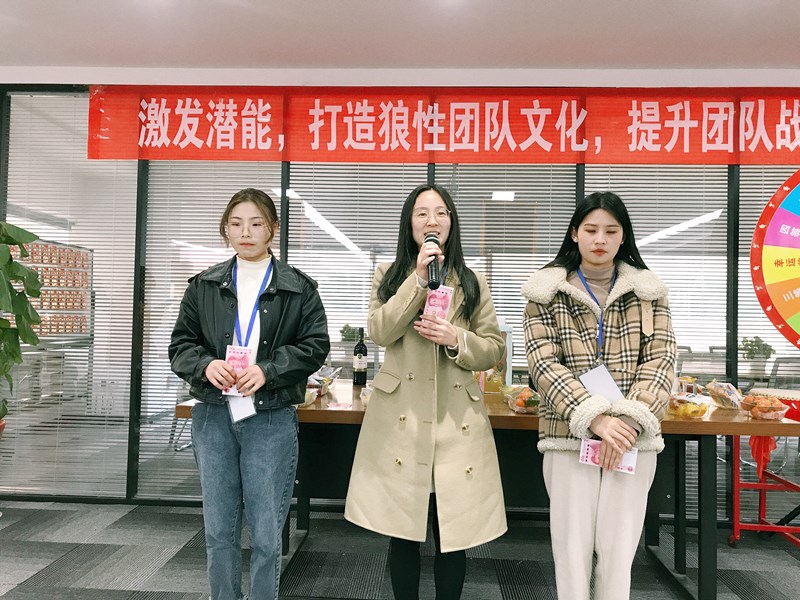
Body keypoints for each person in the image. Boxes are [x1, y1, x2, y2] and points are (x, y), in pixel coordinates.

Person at [345, 184, 507, 600]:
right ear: (410, 223)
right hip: (402, 420)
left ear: (451, 223)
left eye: (441, 213)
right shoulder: (389, 275)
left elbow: (493, 348)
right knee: (403, 532)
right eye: (422, 213)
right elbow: (379, 331)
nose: (431, 220)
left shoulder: (472, 281)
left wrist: (456, 338)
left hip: (456, 421)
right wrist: (417, 280)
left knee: (453, 533)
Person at [169, 188, 329, 600]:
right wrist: (206, 365)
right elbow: (181, 345)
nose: (246, 232)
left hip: (270, 416)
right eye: (236, 224)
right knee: (218, 529)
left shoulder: (299, 288)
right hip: (213, 414)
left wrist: (268, 370)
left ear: (273, 228)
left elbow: (315, 346)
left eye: (256, 223)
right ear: (225, 229)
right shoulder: (203, 285)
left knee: (266, 532)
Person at [521, 191, 677, 600]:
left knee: (618, 552)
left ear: (624, 236)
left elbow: (661, 361)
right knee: (571, 552)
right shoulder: (545, 292)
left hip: (632, 439)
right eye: (591, 230)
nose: (600, 239)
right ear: (574, 233)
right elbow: (543, 363)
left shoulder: (650, 292)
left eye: (610, 231)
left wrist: (625, 421)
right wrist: (595, 418)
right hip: (568, 436)